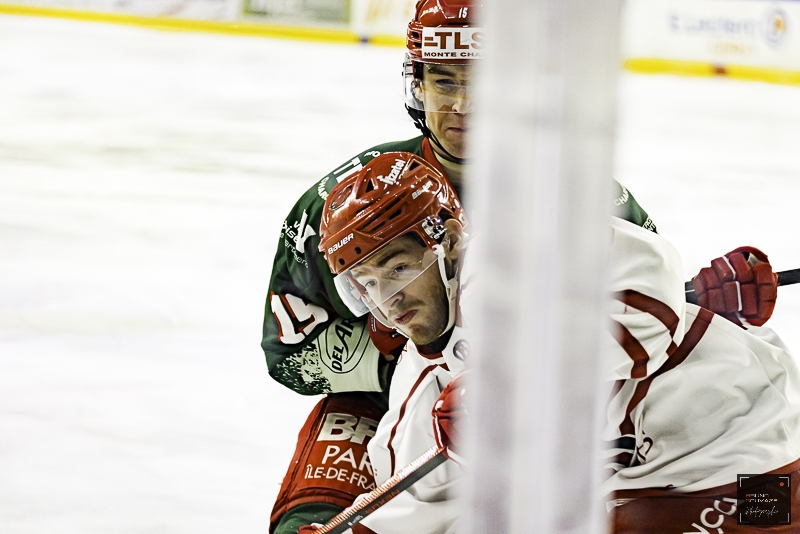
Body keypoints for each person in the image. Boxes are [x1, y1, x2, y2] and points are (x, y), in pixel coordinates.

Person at [266, 1, 655, 532]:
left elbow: (648, 336)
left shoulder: (587, 199)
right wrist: (409, 353)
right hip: (379, 409)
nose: (463, 105)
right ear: (418, 85)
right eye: (445, 81)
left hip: (539, 419)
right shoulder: (346, 202)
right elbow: (289, 357)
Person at [315, 151, 471, 534]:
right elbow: (411, 512)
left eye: (398, 269)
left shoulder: (515, 273)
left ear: (449, 241)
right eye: (368, 283)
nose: (388, 299)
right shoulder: (413, 399)